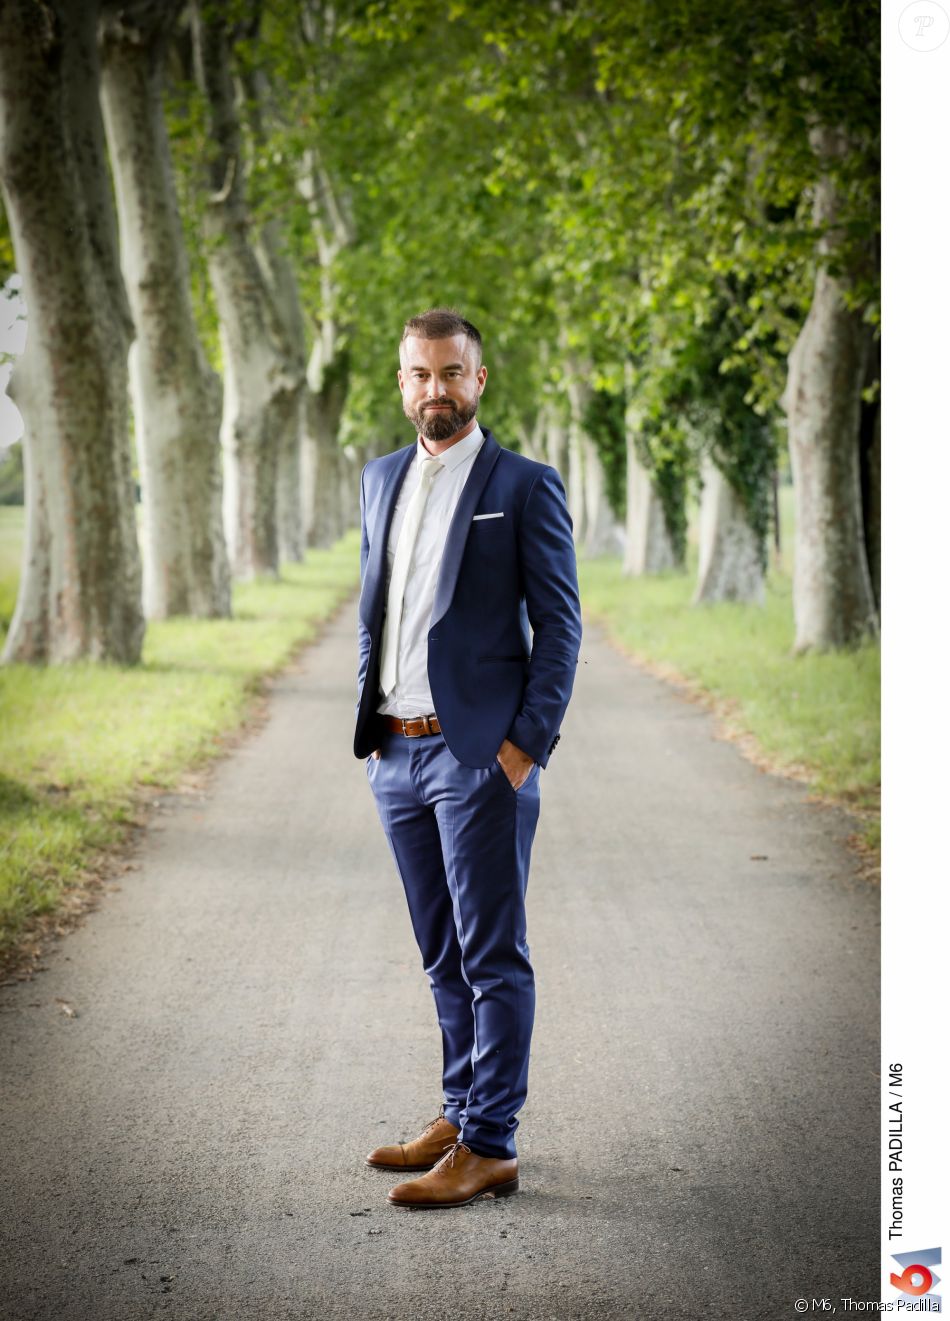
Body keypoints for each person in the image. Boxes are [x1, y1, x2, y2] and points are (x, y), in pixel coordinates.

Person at [354, 308, 582, 1209]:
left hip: (479, 757)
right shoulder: (379, 480)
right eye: (419, 374)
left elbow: (560, 626)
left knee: (493, 955)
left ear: (478, 380)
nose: (435, 390)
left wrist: (522, 748)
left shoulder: (524, 485)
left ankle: (492, 1143)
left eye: (451, 373)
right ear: (402, 381)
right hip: (397, 754)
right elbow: (377, 610)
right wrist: (372, 725)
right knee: (440, 951)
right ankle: (459, 1112)